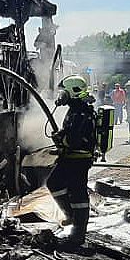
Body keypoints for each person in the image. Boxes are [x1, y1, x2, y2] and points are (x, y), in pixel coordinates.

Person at [46, 75, 97, 249]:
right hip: (72, 157)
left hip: (78, 158)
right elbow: (71, 132)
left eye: (64, 92)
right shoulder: (77, 109)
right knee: (56, 183)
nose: (61, 96)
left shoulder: (81, 112)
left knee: (78, 194)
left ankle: (78, 233)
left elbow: (73, 139)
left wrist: (60, 139)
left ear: (73, 92)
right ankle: (71, 216)